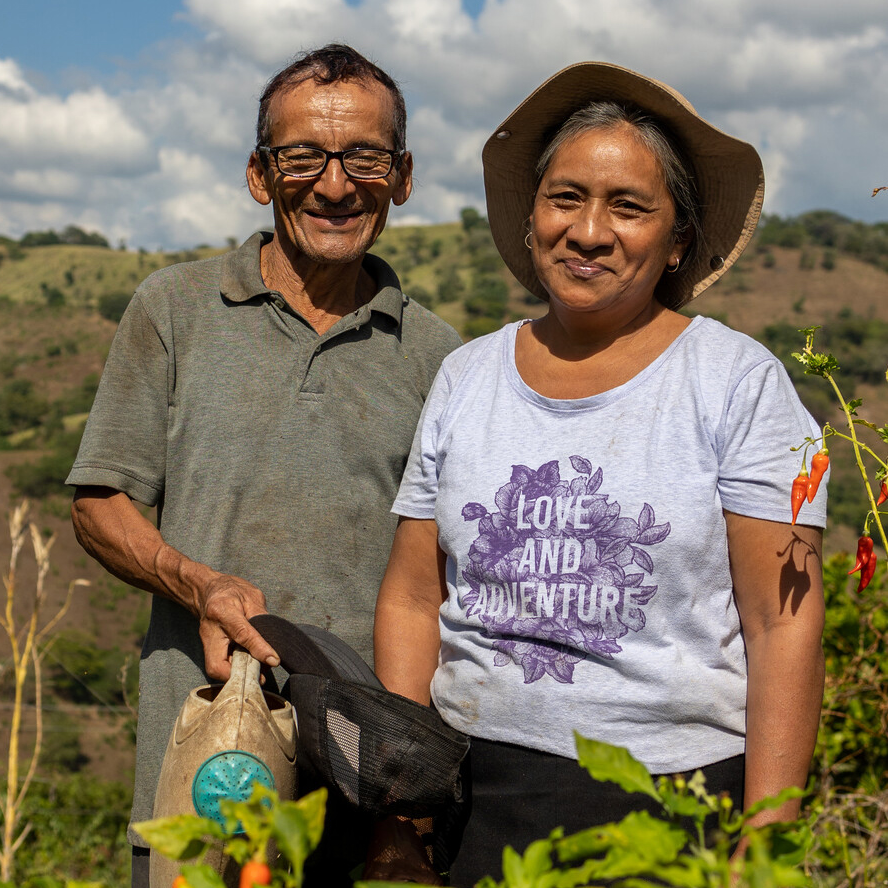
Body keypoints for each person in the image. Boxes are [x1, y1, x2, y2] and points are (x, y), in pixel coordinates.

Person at [373, 61, 827, 885]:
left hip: (669, 807)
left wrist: (763, 844)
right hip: (470, 797)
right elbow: (412, 596)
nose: (587, 232)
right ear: (531, 217)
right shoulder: (468, 377)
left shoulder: (735, 383)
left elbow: (781, 624)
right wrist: (401, 805)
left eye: (627, 206)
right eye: (565, 197)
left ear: (678, 238)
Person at [66, 44, 462, 887]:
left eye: (364, 156)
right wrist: (193, 581)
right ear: (258, 174)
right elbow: (99, 504)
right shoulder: (173, 310)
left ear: (402, 177)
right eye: (302, 157)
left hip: (370, 801)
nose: (333, 183)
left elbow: (447, 588)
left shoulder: (441, 358)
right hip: (204, 777)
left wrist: (410, 820)